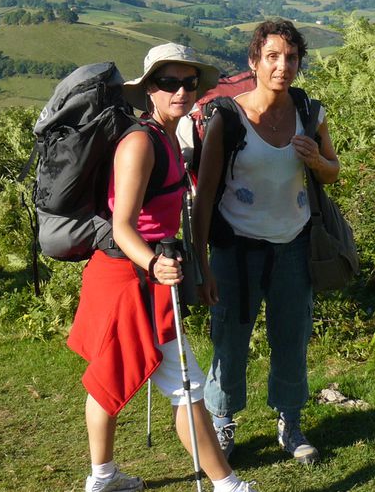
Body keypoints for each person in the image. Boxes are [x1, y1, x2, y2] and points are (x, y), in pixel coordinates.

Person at [67, 43, 259, 492]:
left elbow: (180, 213)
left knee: (108, 379)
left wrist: (201, 268)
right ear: (150, 89)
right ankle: (229, 486)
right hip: (129, 278)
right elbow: (123, 225)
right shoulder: (139, 143)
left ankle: (103, 477)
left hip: (144, 275)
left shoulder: (172, 136)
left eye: (189, 83)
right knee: (181, 385)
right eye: (169, 82)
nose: (181, 91)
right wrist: (154, 264)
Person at [192, 19, 341, 465]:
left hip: (293, 245)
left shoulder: (311, 114)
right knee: (230, 340)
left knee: (291, 337)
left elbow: (334, 171)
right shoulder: (228, 119)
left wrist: (316, 159)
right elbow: (204, 197)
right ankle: (223, 422)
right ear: (253, 61)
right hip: (235, 249)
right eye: (272, 56)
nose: (282, 65)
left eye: (291, 57)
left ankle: (290, 424)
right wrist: (200, 263)